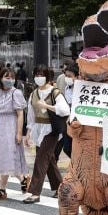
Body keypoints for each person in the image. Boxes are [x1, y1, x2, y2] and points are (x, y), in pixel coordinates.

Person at [23, 64, 70, 204]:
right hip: (38, 129)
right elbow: (31, 115)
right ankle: (61, 188)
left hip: (51, 130)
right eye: (36, 75)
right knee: (49, 161)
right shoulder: (34, 94)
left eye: (41, 75)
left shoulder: (55, 92)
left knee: (41, 159)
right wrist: (28, 132)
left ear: (47, 76)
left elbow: (65, 110)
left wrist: (47, 106)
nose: (38, 78)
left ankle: (35, 192)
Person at [0, 67, 29, 200]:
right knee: (4, 156)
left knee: (11, 156)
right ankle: (23, 179)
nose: (10, 80)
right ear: (0, 78)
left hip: (12, 125)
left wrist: (19, 133)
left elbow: (20, 114)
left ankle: (2, 188)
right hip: (0, 127)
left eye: (12, 78)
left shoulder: (16, 93)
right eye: (7, 77)